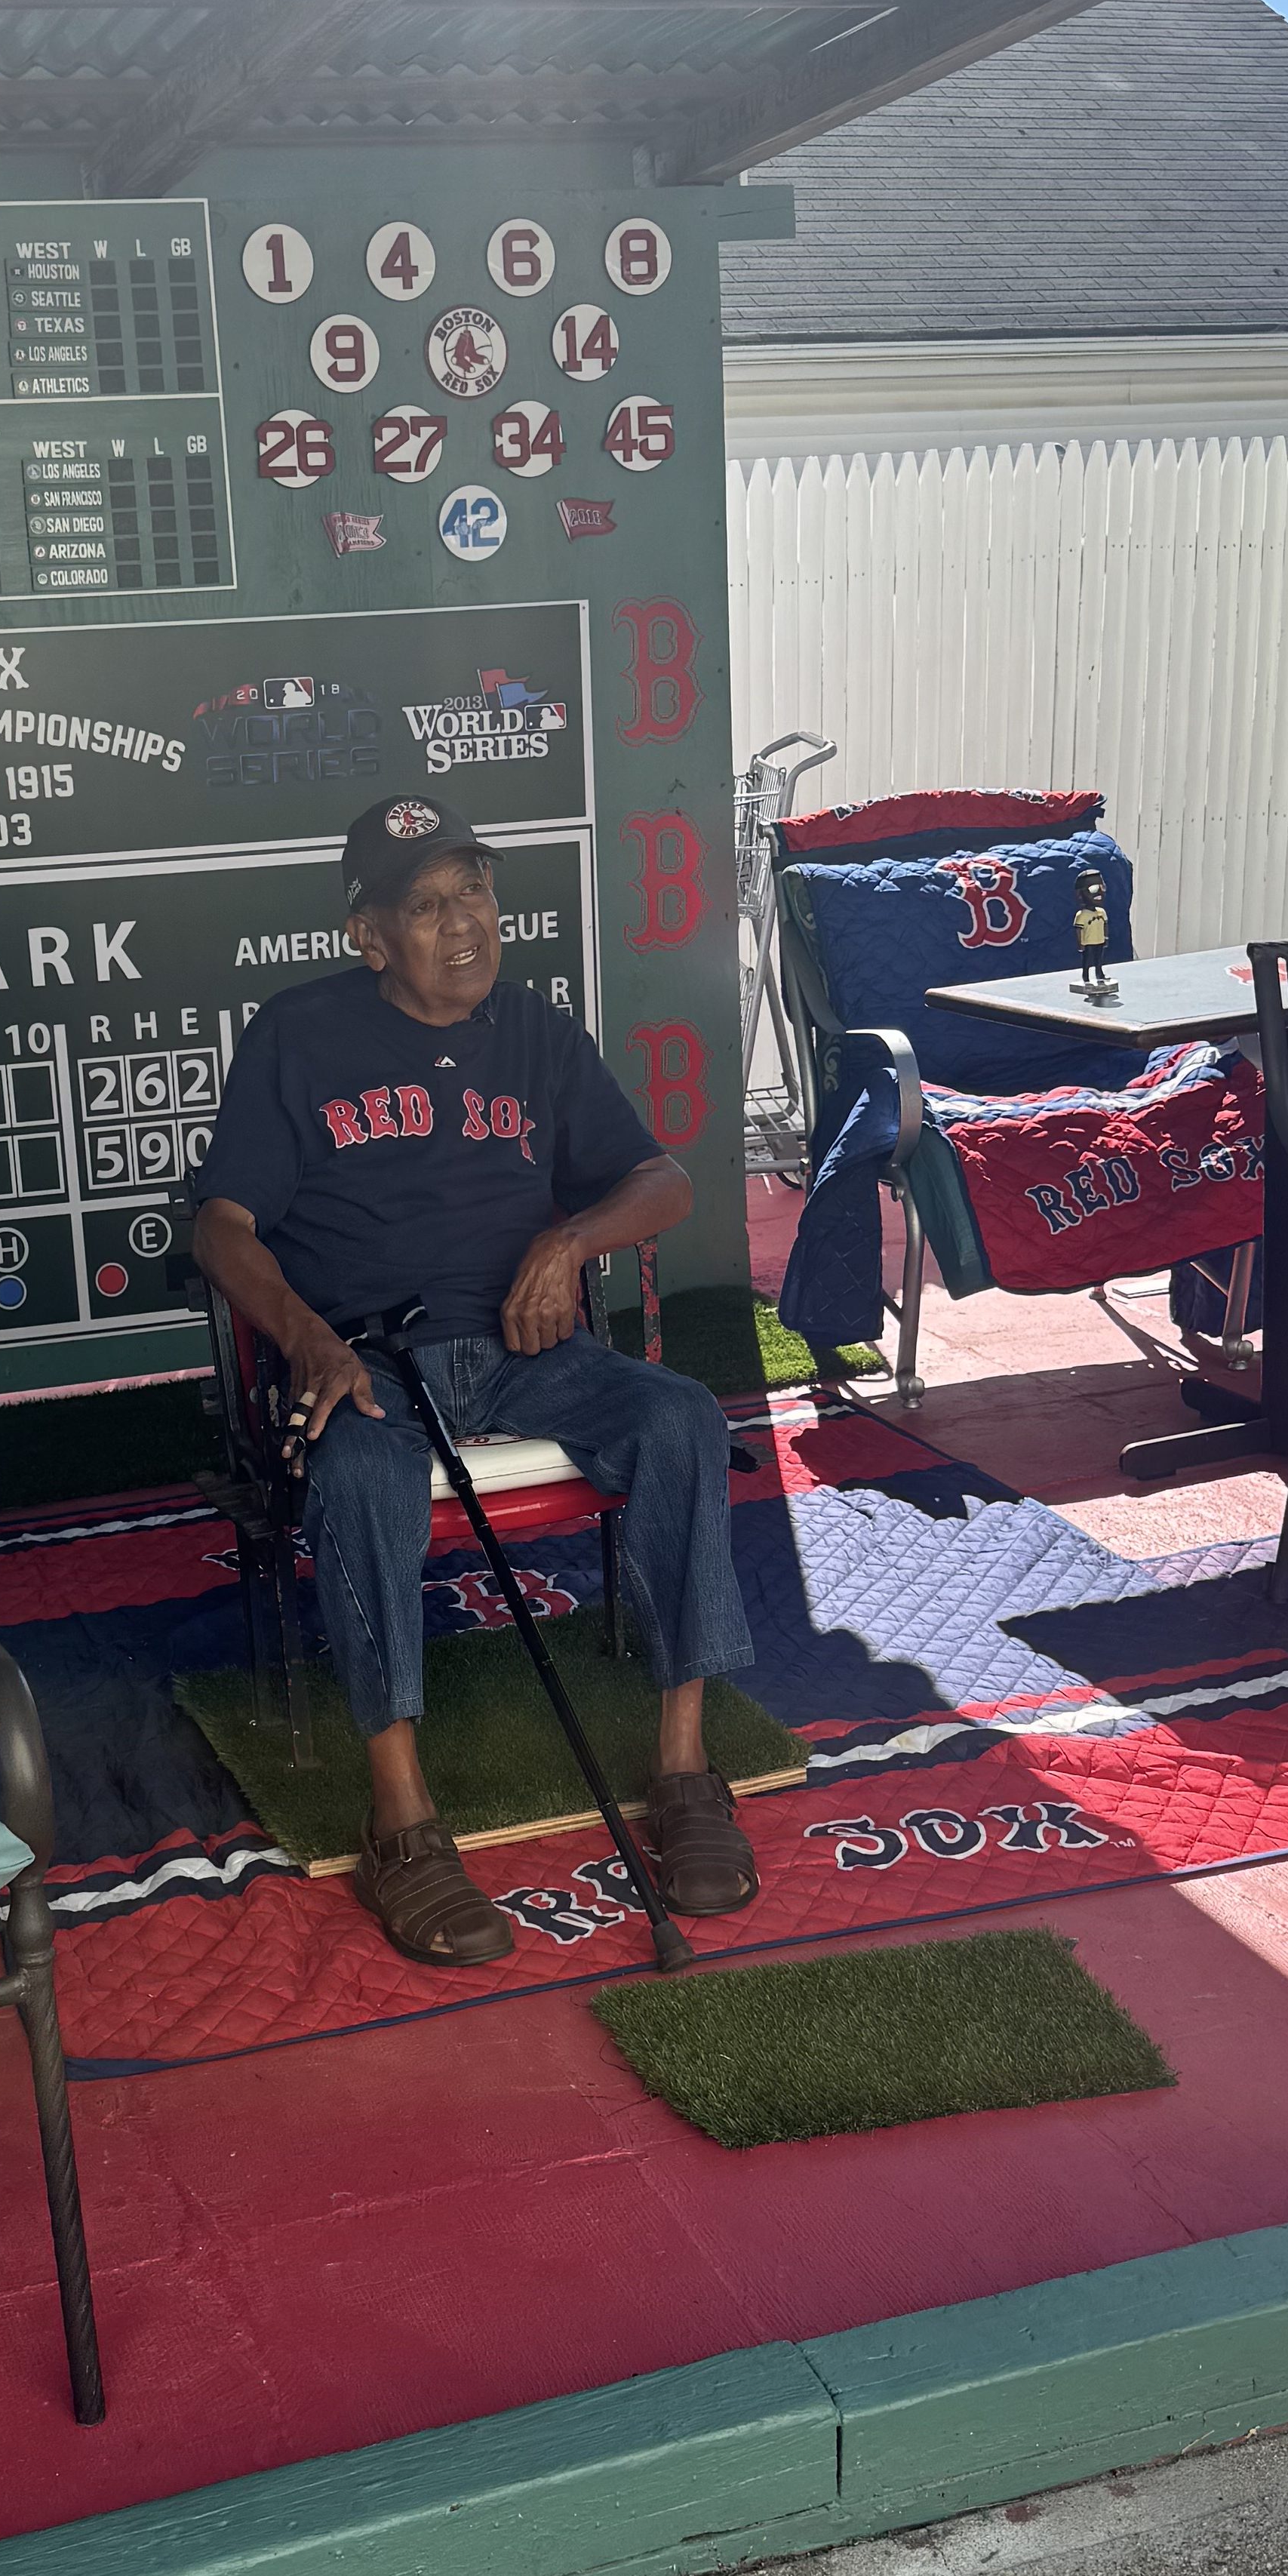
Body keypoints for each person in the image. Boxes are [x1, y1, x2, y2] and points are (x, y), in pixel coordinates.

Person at [189, 794, 759, 1967]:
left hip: (528, 1354)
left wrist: (567, 1244)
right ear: (369, 935)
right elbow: (222, 1227)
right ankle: (401, 1819)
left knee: (682, 1419)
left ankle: (687, 1771)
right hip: (371, 1361)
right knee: (355, 1472)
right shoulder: (299, 1037)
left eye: (479, 892)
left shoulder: (540, 1038)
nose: (466, 924)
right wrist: (310, 1342)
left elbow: (663, 1183)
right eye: (429, 904)